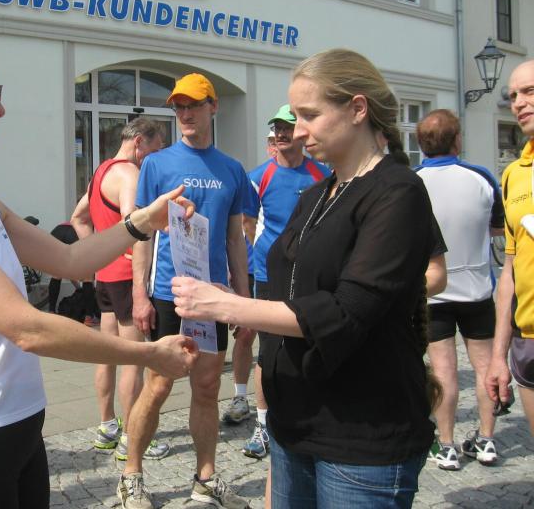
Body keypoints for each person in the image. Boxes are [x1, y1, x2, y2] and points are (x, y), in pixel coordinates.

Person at [0, 26, 198, 508]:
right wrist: (147, 354)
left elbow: (70, 259)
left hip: (21, 425)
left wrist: (143, 221)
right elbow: (27, 329)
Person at [172, 49, 444, 508]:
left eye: (309, 115)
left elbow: (345, 310)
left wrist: (229, 306)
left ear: (357, 109)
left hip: (360, 434)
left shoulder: (397, 191)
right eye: (295, 117)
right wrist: (224, 292)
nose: (297, 131)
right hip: (295, 422)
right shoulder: (317, 194)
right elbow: (290, 289)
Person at [121, 73, 251, 509]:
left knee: (208, 387)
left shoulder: (232, 169)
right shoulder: (157, 164)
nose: (185, 113)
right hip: (168, 293)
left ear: (214, 106)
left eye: (194, 104)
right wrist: (139, 295)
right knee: (158, 385)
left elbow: (235, 240)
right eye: (178, 106)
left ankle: (205, 479)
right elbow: (142, 233)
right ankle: (132, 475)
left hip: (211, 296)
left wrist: (242, 301)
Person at [227, 106, 329, 464]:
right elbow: (247, 224)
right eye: (277, 129)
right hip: (270, 276)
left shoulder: (322, 174)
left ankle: (311, 415)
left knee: (311, 346)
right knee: (268, 351)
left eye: (288, 128)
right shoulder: (258, 176)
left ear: (300, 132)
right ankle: (263, 425)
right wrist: (263, 256)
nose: (282, 134)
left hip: (311, 275)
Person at [70, 117, 168, 460]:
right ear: (139, 142)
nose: (154, 158)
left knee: (107, 355)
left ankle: (107, 426)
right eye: (154, 150)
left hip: (106, 277)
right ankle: (132, 437)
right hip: (126, 277)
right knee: (132, 360)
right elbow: (135, 225)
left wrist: (100, 254)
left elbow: (78, 217)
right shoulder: (129, 174)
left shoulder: (101, 172)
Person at [414, 109, 505, 470]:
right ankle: (487, 439)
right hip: (477, 289)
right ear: (457, 140)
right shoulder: (481, 177)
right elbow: (498, 228)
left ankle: (447, 444)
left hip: (433, 291)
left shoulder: (413, 181)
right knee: (484, 368)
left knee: (443, 371)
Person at [486, 59, 534, 437]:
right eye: (514, 95)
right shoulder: (513, 174)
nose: (517, 102)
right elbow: (509, 273)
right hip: (527, 340)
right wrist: (498, 356)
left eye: (529, 91)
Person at [46, 222, 99, 325]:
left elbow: (68, 268)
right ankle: (88, 317)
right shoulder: (91, 227)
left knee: (57, 274)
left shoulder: (76, 220)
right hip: (75, 234)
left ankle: (51, 311)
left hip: (57, 231)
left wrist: (78, 287)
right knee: (87, 277)